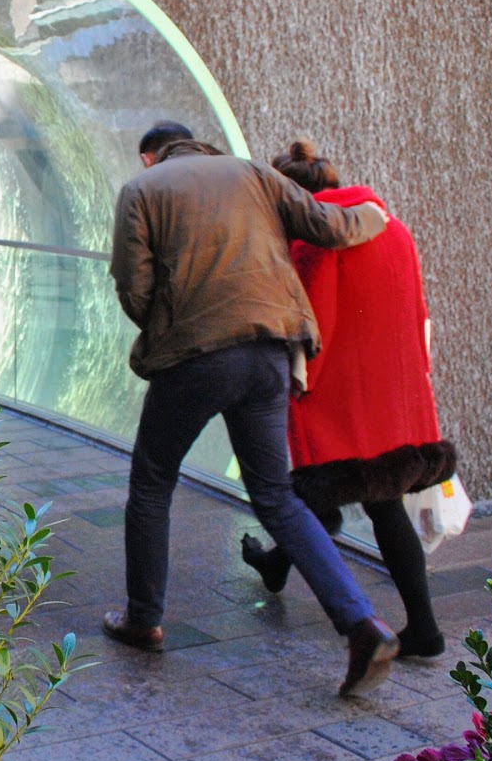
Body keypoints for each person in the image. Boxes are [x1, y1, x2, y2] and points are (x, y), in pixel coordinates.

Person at [104, 121, 401, 697]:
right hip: (270, 350)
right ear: (200, 144)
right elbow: (327, 225)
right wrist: (376, 215)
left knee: (152, 482)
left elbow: (132, 285)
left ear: (150, 157)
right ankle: (361, 622)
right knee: (276, 497)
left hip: (196, 355)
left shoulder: (144, 190)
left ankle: (144, 619)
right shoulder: (254, 173)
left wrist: (163, 327)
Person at [239, 140, 455, 659]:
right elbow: (417, 309)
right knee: (377, 496)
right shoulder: (392, 226)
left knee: (359, 496)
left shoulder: (320, 239)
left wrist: (295, 379)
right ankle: (277, 563)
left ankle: (421, 630)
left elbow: (313, 320)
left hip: (346, 392)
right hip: (394, 388)